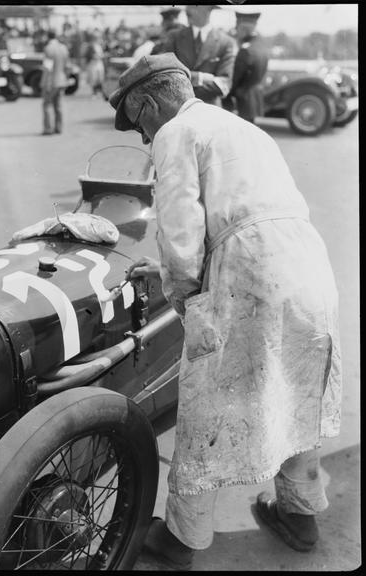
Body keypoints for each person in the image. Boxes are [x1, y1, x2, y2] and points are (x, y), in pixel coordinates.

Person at [109, 54, 342, 570]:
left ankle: (182, 539)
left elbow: (181, 229)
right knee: (297, 390)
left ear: (149, 102)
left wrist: (188, 298)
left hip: (250, 275)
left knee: (205, 403)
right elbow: (248, 214)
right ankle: (300, 515)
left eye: (139, 124)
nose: (145, 138)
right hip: (307, 268)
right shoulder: (243, 127)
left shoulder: (176, 131)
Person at [152, 5, 235, 105]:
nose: (187, 10)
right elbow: (167, 73)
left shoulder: (226, 42)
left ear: (209, 8)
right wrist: (201, 77)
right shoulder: (174, 37)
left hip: (210, 110)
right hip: (179, 111)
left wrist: (184, 91)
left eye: (194, 6)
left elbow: (223, 85)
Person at [222, 8, 270, 123]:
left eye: (238, 28)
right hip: (254, 99)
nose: (237, 32)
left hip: (242, 101)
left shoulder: (245, 51)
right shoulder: (261, 46)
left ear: (243, 29)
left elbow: (234, 80)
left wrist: (225, 94)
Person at [41, 30, 70, 135]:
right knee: (58, 105)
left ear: (47, 37)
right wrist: (66, 79)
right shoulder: (63, 48)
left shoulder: (48, 48)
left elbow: (48, 68)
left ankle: (48, 129)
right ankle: (59, 128)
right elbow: (67, 66)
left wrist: (47, 84)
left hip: (52, 81)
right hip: (62, 80)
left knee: (47, 105)